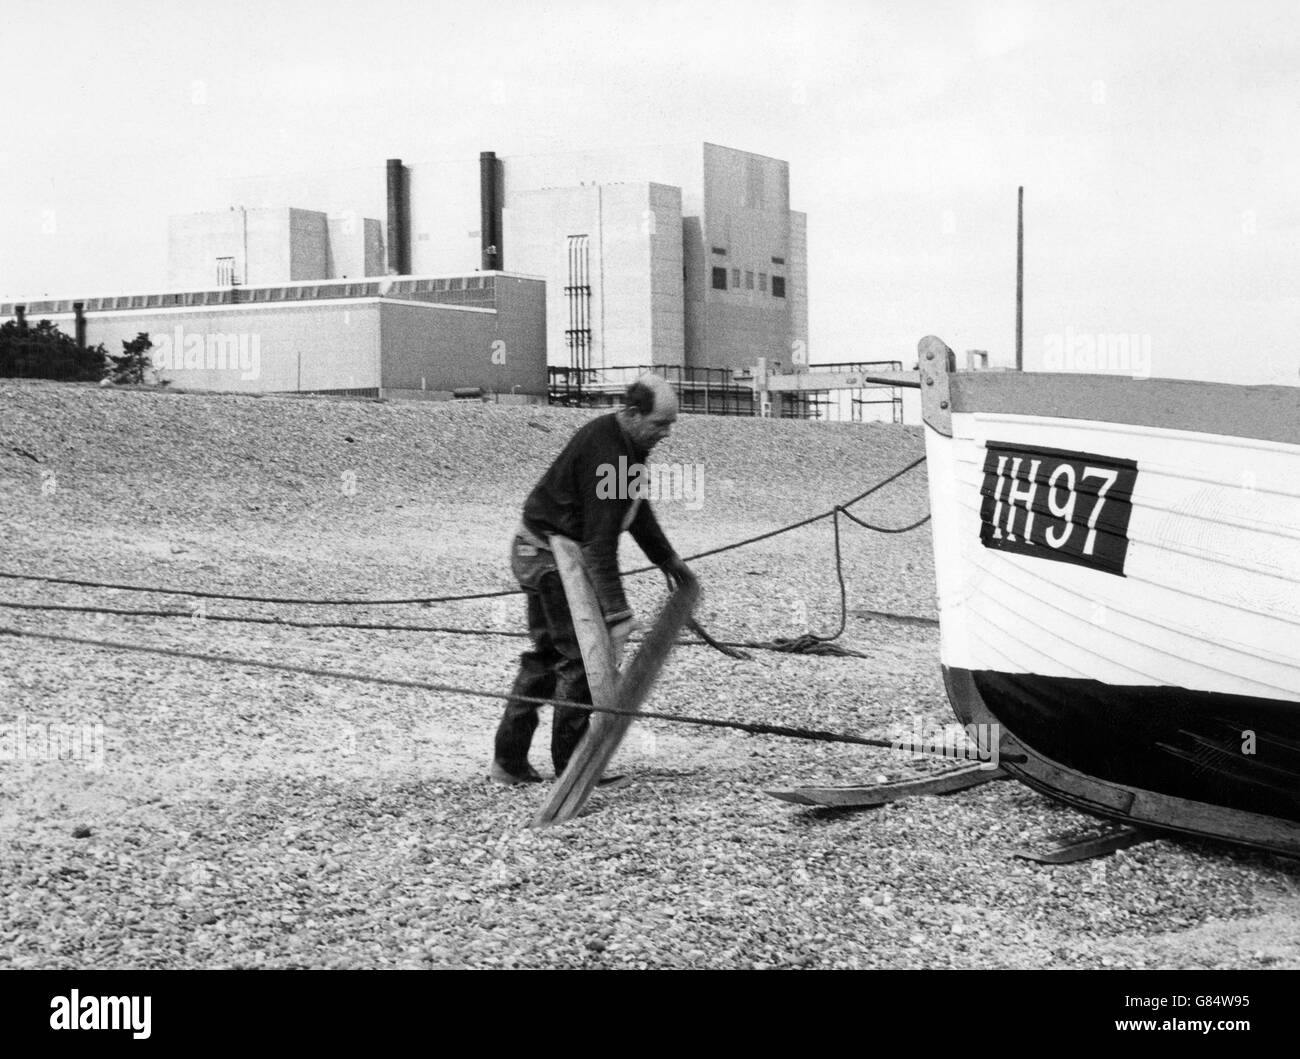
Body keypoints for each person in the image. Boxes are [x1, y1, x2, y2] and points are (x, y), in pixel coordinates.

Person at [489, 373, 695, 785]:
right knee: (583, 660)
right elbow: (601, 545)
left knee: (547, 658)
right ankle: (574, 770)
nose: (667, 433)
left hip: (539, 549)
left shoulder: (626, 445)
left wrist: (668, 560)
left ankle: (508, 764)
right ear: (633, 413)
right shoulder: (610, 454)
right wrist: (618, 613)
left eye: (671, 424)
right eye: (660, 424)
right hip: (549, 557)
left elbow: (634, 508)